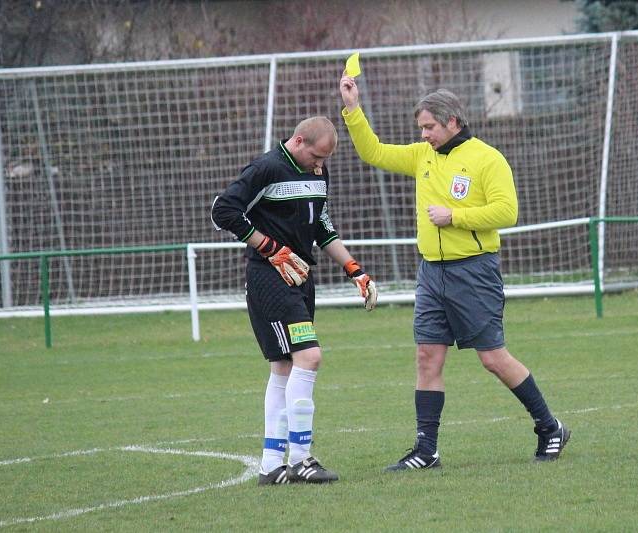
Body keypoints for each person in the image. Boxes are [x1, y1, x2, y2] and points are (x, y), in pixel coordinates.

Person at [339, 75, 569, 469]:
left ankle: (550, 427)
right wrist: (353, 109)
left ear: (453, 122)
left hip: (474, 272)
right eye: (421, 128)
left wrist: (455, 217)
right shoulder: (420, 156)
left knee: (493, 358)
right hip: (431, 273)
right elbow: (373, 152)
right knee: (427, 357)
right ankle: (427, 450)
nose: (424, 135)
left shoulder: (487, 158)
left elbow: (506, 212)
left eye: (429, 127)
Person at [211, 116, 377, 485]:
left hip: (300, 278)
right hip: (269, 279)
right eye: (316, 156)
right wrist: (269, 248)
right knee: (309, 357)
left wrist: (355, 270)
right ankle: (300, 459)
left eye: (325, 160)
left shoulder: (318, 173)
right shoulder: (266, 168)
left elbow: (323, 227)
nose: (320, 165)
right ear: (299, 141)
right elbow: (222, 210)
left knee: (284, 367)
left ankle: (272, 465)